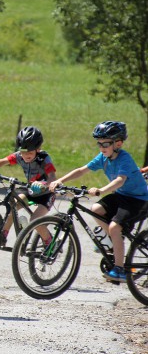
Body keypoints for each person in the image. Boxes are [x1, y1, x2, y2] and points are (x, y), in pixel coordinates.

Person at [49, 121, 148, 282]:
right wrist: (60, 180)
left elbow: (120, 181)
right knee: (96, 209)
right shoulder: (103, 157)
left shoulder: (125, 159)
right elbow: (82, 170)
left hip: (138, 199)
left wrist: (101, 190)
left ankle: (120, 269)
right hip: (122, 196)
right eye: (99, 143)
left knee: (115, 227)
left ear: (118, 143)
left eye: (106, 143)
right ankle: (114, 240)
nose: (102, 147)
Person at [0, 126, 57, 244]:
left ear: (38, 149)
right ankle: (2, 236)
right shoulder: (19, 155)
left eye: (30, 152)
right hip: (31, 190)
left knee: (35, 220)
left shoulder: (44, 158)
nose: (26, 155)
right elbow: (3, 161)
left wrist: (43, 183)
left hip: (47, 193)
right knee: (13, 205)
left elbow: (53, 178)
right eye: (23, 152)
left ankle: (51, 243)